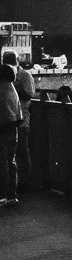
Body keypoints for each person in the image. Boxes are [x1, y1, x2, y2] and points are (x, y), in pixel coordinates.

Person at [3, 51, 33, 193]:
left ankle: (25, 183)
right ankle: (14, 186)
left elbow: (29, 95)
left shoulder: (25, 76)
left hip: (21, 119)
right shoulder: (5, 78)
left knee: (21, 152)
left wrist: (13, 86)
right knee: (13, 155)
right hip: (13, 120)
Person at [0, 63, 19, 208]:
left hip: (3, 128)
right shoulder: (12, 90)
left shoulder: (1, 90)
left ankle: (1, 195)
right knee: (11, 162)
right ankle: (12, 194)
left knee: (2, 162)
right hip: (13, 127)